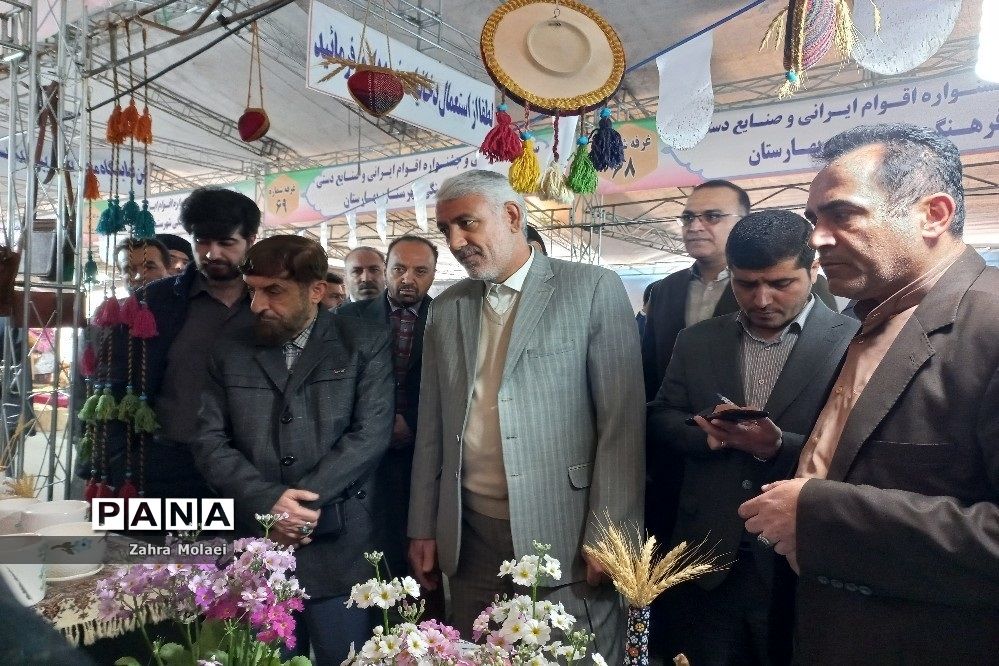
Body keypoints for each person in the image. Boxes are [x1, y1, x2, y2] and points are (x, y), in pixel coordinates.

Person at [738, 123, 999, 664]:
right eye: (814, 220)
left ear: (934, 214)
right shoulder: (869, 316)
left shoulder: (988, 325)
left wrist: (820, 516)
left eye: (843, 215)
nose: (816, 238)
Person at [408, 170, 644, 662]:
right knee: (476, 654)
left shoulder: (592, 289)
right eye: (445, 229)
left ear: (512, 216)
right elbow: (432, 426)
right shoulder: (447, 309)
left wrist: (609, 533)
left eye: (467, 224)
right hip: (468, 535)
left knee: (571, 656)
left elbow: (621, 427)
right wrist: (423, 525)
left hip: (565, 528)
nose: (455, 242)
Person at [647, 210, 858, 666]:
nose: (761, 299)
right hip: (708, 554)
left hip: (800, 557)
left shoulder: (853, 343)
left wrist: (780, 447)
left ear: (813, 269)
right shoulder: (697, 340)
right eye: (745, 284)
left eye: (781, 284)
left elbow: (863, 451)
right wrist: (709, 436)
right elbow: (661, 417)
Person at [193, 235, 394, 664]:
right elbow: (209, 440)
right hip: (257, 547)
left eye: (274, 291)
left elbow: (370, 435)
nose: (257, 305)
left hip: (341, 551)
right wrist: (268, 503)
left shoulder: (363, 341)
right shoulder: (230, 346)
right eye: (253, 290)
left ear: (316, 291)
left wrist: (298, 508)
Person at [78, 187, 260, 498]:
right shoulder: (152, 303)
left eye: (227, 243)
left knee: (243, 548)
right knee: (154, 549)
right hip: (166, 466)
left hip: (254, 472)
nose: (212, 253)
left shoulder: (271, 303)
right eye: (202, 242)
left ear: (251, 240)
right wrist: (119, 458)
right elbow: (113, 383)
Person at [337, 235, 437, 578]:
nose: (408, 278)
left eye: (420, 270)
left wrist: (409, 421)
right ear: (387, 270)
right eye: (399, 269)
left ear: (434, 273)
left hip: (421, 450)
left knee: (415, 541)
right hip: (363, 450)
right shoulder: (349, 317)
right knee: (366, 539)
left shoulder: (446, 318)